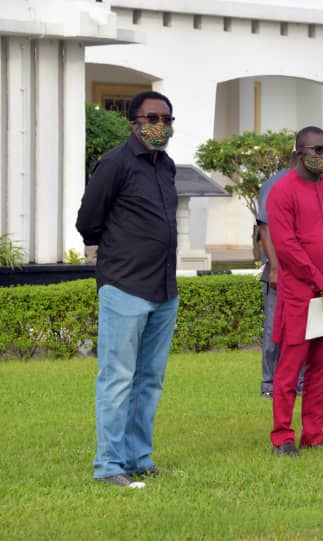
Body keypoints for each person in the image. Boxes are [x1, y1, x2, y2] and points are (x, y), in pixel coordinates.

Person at [76, 91, 180, 488]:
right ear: (133, 122)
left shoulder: (166, 166)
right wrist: (124, 249)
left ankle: (139, 458)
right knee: (118, 378)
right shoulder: (115, 164)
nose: (159, 125)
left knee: (149, 379)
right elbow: (88, 222)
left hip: (164, 288)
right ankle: (109, 465)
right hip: (125, 285)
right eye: (151, 117)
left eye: (166, 119)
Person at [267, 126, 323, 456]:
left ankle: (314, 435)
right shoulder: (282, 191)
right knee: (289, 371)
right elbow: (287, 247)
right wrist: (322, 283)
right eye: (315, 150)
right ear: (298, 153)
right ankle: (282, 436)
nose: (322, 157)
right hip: (299, 296)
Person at [256, 156, 304, 398]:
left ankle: (301, 384)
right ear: (299, 155)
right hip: (280, 270)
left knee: (305, 329)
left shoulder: (313, 184)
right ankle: (269, 384)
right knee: (275, 328)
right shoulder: (276, 183)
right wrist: (274, 267)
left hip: (306, 273)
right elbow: (265, 227)